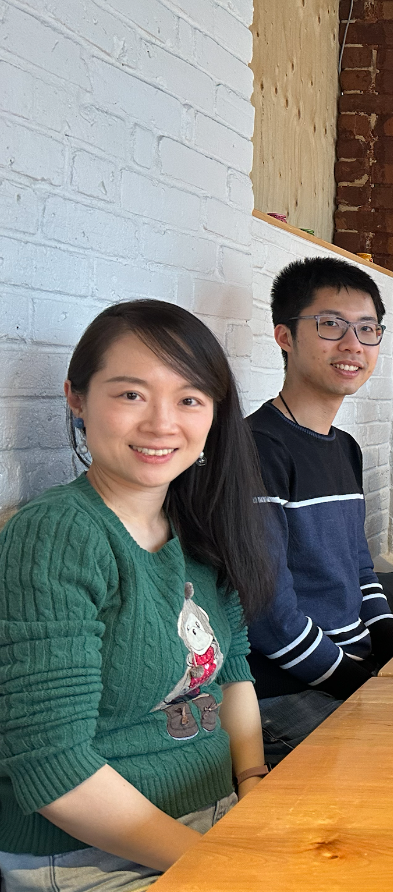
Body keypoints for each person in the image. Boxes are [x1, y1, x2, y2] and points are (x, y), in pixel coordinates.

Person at [0, 301, 274, 889]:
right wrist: (222, 863)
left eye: (189, 399)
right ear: (76, 397)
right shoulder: (58, 534)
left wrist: (253, 782)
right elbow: (53, 766)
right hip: (90, 856)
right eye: (130, 395)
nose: (160, 424)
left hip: (216, 818)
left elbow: (234, 672)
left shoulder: (197, 520)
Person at [246, 257, 393, 764]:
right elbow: (270, 617)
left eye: (367, 329)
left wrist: (392, 647)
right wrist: (359, 683)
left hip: (348, 665)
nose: (353, 345)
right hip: (283, 688)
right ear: (284, 336)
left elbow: (358, 566)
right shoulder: (255, 449)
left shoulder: (345, 448)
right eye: (331, 325)